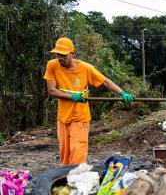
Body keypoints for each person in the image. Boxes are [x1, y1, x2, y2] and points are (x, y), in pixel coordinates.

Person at [44, 37, 135, 166]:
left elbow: (105, 81)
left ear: (72, 54)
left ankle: (77, 180)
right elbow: (52, 90)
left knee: (77, 152)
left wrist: (122, 93)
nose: (60, 58)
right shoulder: (52, 65)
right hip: (63, 117)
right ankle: (65, 180)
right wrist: (71, 96)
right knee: (65, 154)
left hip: (79, 117)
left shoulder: (86, 68)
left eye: (64, 55)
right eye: (58, 55)